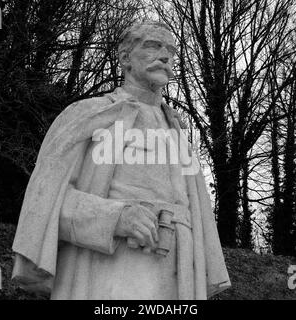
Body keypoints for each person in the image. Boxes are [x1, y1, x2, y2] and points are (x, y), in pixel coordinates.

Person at [12, 21, 230, 300]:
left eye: (171, 51)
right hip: (109, 270)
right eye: (153, 46)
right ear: (125, 57)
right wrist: (115, 218)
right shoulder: (87, 114)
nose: (165, 56)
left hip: (178, 274)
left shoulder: (178, 132)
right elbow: (44, 204)